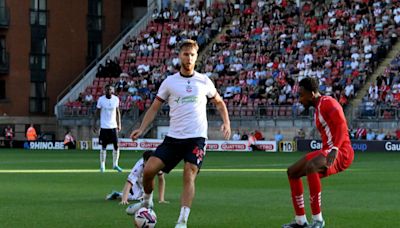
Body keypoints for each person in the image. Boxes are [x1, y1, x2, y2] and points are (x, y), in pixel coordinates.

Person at [127, 40, 231, 228]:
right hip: (174, 138)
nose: (189, 58)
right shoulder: (170, 82)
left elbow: (219, 103)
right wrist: (142, 128)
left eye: (192, 54)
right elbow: (154, 107)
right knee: (149, 170)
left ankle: (182, 221)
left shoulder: (204, 81)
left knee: (188, 173)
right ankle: (147, 203)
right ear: (179, 56)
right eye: (185, 54)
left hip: (197, 138)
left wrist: (226, 122)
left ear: (196, 57)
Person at [283, 77, 354, 228]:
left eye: (302, 95)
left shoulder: (329, 102)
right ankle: (300, 221)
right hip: (328, 149)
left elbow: (342, 125)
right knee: (292, 172)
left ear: (312, 93)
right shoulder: (317, 109)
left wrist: (335, 149)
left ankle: (318, 220)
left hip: (342, 151)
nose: (300, 99)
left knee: (312, 166)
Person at [92, 84, 123, 172]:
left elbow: (118, 112)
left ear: (112, 91)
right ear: (104, 91)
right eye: (107, 90)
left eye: (110, 90)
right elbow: (97, 112)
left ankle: (115, 165)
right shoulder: (101, 100)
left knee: (116, 146)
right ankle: (102, 166)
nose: (108, 91)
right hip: (104, 127)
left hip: (113, 126)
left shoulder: (116, 99)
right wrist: (94, 124)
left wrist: (119, 124)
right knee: (103, 146)